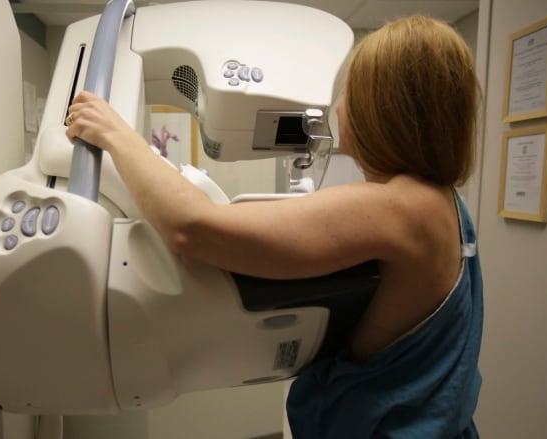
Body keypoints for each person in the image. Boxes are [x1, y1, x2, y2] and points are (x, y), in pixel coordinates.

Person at [66, 14, 483, 439]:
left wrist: (116, 134)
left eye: (349, 92)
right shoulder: (446, 205)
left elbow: (192, 228)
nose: (338, 107)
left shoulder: (399, 208)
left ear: (382, 108)